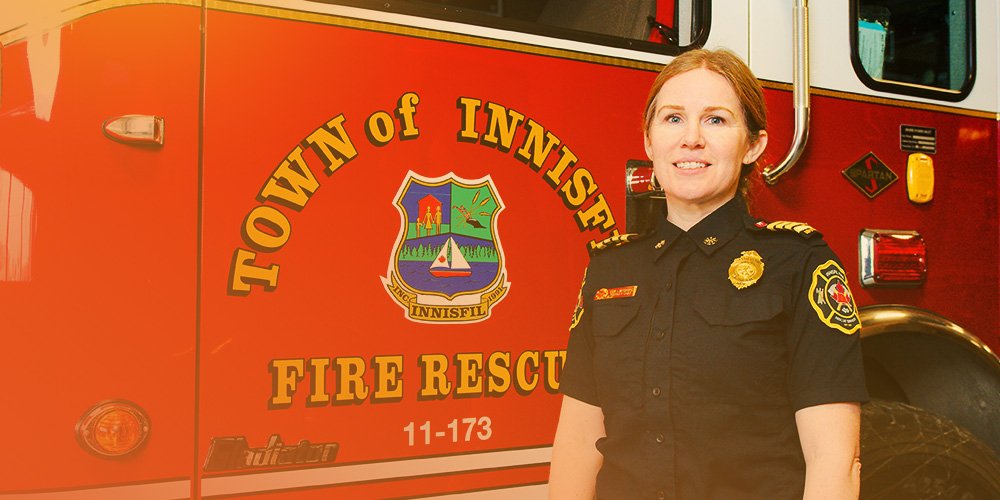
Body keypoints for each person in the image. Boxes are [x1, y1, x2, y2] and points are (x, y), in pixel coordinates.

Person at [550, 48, 867, 499]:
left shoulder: (799, 264)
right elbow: (578, 443)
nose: (691, 139)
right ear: (649, 141)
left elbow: (834, 459)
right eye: (673, 119)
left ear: (753, 144)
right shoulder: (609, 268)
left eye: (716, 120)